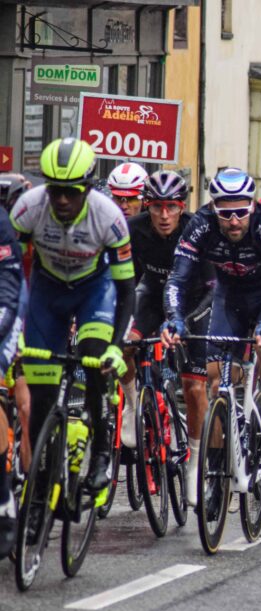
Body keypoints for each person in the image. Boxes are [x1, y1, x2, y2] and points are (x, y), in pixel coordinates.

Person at [12, 138, 136, 497]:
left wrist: (116, 346)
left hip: (93, 291)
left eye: (72, 191)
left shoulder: (109, 217)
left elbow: (126, 289)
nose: (63, 199)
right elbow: (11, 273)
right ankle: (40, 488)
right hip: (47, 292)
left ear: (87, 188)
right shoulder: (28, 209)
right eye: (55, 190)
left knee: (94, 357)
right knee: (41, 396)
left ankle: (101, 454)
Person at [163, 168, 261, 471]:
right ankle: (216, 467)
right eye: (225, 213)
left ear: (252, 206)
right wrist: (175, 318)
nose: (234, 221)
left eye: (241, 212)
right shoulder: (201, 225)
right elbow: (177, 280)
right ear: (213, 208)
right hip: (229, 296)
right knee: (215, 380)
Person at [120, 172, 214, 504]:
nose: (163, 215)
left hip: (194, 304)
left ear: (182, 207)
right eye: (156, 207)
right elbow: (126, 282)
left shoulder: (198, 231)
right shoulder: (134, 229)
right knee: (124, 346)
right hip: (152, 296)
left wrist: (182, 324)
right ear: (146, 206)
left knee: (194, 387)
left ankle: (195, 462)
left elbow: (211, 290)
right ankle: (134, 405)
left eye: (171, 207)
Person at [0, 199, 26, 555]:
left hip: (9, 305)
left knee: (27, 402)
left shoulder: (4, 226)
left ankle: (7, 493)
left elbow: (8, 291)